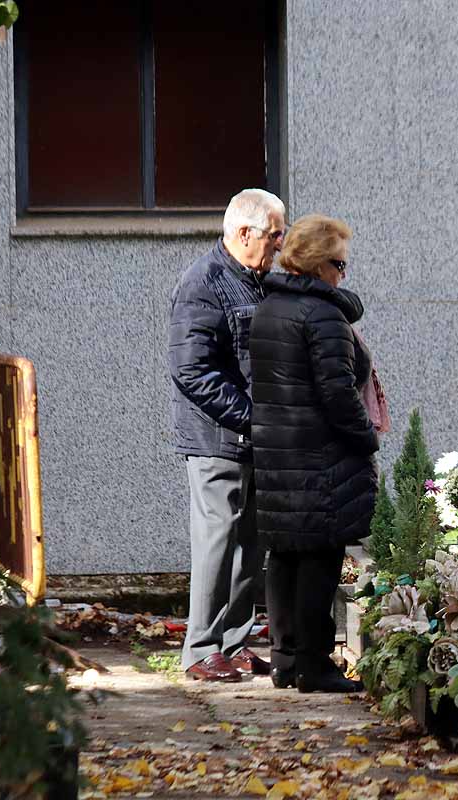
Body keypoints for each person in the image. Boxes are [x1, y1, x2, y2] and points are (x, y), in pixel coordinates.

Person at [249, 214, 378, 693]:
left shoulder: (270, 307)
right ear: (320, 264)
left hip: (278, 450)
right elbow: (338, 393)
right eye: (340, 265)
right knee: (321, 558)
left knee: (284, 555)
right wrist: (367, 437)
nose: (343, 275)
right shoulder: (322, 315)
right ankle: (314, 665)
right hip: (319, 454)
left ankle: (285, 662)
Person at [167, 189, 284, 682]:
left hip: (251, 437)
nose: (279, 247)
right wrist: (252, 418)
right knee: (217, 542)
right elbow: (191, 371)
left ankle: (233, 645)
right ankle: (200, 650)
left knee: (249, 545)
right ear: (244, 234)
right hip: (217, 439)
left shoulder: (255, 281)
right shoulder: (204, 284)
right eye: (274, 237)